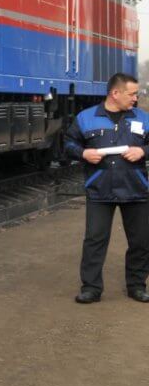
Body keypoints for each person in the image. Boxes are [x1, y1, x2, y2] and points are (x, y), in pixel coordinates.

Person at [64, 72, 149, 303]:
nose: (136, 98)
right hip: (100, 189)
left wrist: (143, 151)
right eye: (132, 94)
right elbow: (69, 143)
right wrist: (82, 153)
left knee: (141, 241)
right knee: (95, 240)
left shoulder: (142, 117)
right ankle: (91, 288)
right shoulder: (86, 118)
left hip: (136, 189)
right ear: (115, 93)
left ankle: (137, 286)